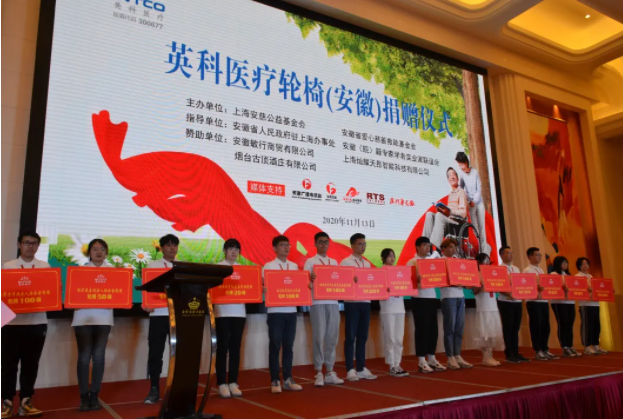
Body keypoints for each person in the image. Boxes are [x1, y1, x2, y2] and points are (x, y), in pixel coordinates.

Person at [1, 231, 49, 418]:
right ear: (19, 244)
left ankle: (25, 402)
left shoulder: (45, 267)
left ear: (38, 246)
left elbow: (49, 292)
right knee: (8, 365)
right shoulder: (8, 266)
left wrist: (54, 290)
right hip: (12, 324)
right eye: (26, 242)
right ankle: (6, 403)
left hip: (37, 322)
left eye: (34, 243)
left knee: (31, 365)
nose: (30, 246)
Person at [73, 239, 114, 412]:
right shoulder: (79, 271)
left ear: (106, 253)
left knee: (99, 357)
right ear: (89, 252)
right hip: (82, 318)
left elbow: (119, 293)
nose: (98, 252)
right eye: (95, 249)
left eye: (102, 249)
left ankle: (95, 395)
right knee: (84, 357)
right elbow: (72, 294)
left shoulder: (113, 272)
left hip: (104, 319)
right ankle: (84, 397)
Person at [263, 235, 303, 394]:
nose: (286, 247)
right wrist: (263, 288)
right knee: (274, 346)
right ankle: (274, 380)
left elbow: (299, 285)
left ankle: (288, 378)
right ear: (274, 248)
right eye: (282, 245)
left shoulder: (294, 266)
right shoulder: (268, 266)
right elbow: (263, 286)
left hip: (291, 311)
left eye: (288, 245)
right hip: (275, 312)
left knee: (288, 346)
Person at [304, 232, 345, 387]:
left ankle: (329, 371)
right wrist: (310, 279)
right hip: (317, 303)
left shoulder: (333, 262)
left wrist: (350, 279)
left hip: (333, 303)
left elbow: (340, 280)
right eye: (320, 242)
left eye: (326, 242)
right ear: (315, 244)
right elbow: (305, 282)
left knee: (332, 338)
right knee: (318, 337)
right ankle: (318, 372)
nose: (323, 244)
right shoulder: (310, 262)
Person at [143, 234, 179, 404]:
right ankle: (154, 389)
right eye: (169, 245)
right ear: (162, 248)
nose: (172, 248)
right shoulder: (153, 266)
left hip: (178, 316)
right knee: (155, 354)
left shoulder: (182, 266)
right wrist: (145, 303)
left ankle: (176, 389)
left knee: (178, 354)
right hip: (158, 315)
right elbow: (147, 289)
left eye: (175, 245)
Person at [340, 233, 377, 381]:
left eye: (364, 244)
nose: (363, 247)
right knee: (350, 336)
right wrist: (350, 280)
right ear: (352, 245)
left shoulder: (367, 264)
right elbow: (342, 283)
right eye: (360, 244)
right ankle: (350, 369)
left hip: (366, 302)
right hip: (352, 303)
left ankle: (361, 368)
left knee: (362, 336)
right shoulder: (345, 262)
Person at [406, 237, 446, 373]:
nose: (427, 247)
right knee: (422, 329)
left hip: (432, 298)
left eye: (429, 245)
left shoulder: (431, 262)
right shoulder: (412, 262)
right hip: (419, 299)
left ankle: (432, 358)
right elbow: (407, 283)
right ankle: (421, 361)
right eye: (424, 245)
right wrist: (416, 280)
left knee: (433, 329)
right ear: (417, 247)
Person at [215, 239, 246, 398]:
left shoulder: (244, 270)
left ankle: (233, 382)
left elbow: (249, 290)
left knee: (235, 349)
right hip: (222, 313)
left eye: (237, 249)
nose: (234, 252)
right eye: (231, 248)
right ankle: (222, 383)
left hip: (239, 313)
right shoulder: (218, 268)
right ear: (224, 251)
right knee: (222, 348)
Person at [439, 238, 472, 370]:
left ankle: (457, 355)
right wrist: (455, 282)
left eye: (455, 247)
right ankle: (450, 357)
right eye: (451, 247)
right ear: (444, 249)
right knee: (450, 328)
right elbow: (440, 280)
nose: (454, 250)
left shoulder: (458, 261)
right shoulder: (440, 262)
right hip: (448, 297)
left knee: (459, 328)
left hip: (460, 297)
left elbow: (465, 278)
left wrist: (468, 282)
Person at [524, 247, 558, 362]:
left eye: (540, 255)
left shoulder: (541, 270)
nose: (539, 257)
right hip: (533, 301)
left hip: (543, 301)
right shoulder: (527, 270)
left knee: (545, 326)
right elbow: (526, 287)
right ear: (530, 257)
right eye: (537, 255)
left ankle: (545, 348)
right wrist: (536, 288)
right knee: (536, 326)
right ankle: (538, 350)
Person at [497, 246, 530, 363]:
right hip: (505, 301)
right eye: (508, 253)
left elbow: (520, 284)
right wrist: (508, 294)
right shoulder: (499, 269)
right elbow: (498, 285)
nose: (511, 255)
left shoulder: (516, 268)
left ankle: (516, 352)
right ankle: (509, 353)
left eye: (512, 253)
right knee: (508, 327)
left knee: (516, 328)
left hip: (517, 301)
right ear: (501, 255)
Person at [379, 249, 409, 377]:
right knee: (390, 338)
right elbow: (377, 289)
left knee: (399, 339)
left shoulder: (398, 271)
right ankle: (391, 365)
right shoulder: (381, 272)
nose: (392, 258)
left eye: (393, 256)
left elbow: (406, 285)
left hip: (400, 308)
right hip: (388, 309)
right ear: (383, 258)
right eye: (389, 256)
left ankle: (397, 363)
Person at [423, 168, 468, 251]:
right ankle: (425, 246)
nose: (452, 177)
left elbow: (463, 213)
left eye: (453, 175)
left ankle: (437, 249)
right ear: (448, 180)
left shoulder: (461, 192)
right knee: (429, 214)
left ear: (457, 178)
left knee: (439, 215)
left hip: (457, 223)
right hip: (448, 221)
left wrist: (450, 212)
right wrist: (442, 210)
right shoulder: (451, 194)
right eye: (450, 176)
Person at [472, 253, 503, 367]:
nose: (487, 262)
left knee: (493, 332)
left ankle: (490, 355)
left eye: (488, 260)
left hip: (493, 306)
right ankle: (486, 357)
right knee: (485, 332)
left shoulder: (492, 273)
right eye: (485, 260)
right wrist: (481, 285)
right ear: (479, 262)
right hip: (484, 307)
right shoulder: (477, 274)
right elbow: (474, 291)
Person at [456, 152, 488, 254]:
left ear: (466, 162)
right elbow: (461, 188)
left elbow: (479, 189)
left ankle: (484, 251)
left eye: (461, 164)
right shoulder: (462, 175)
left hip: (479, 203)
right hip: (470, 205)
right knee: (475, 228)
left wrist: (474, 200)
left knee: (482, 227)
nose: (460, 167)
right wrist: (465, 199)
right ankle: (479, 250)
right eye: (459, 165)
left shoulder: (475, 172)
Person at [577, 257, 609, 355]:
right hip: (585, 304)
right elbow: (577, 290)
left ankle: (595, 345)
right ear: (579, 266)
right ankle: (587, 346)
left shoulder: (591, 276)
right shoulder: (577, 276)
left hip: (595, 303)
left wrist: (607, 290)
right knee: (587, 325)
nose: (585, 265)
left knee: (596, 324)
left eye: (587, 263)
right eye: (583, 264)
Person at [551, 256, 581, 358]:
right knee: (562, 324)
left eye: (566, 262)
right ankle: (564, 347)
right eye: (563, 262)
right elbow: (552, 288)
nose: (565, 264)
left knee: (569, 324)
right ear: (557, 264)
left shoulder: (568, 275)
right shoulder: (553, 274)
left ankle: (570, 345)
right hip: (559, 302)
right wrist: (562, 288)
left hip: (570, 302)